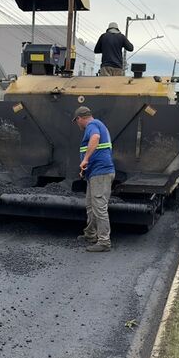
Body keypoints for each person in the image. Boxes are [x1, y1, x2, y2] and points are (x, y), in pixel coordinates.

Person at [74, 106, 115, 252]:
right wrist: (86, 169)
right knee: (91, 205)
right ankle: (90, 234)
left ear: (80, 118)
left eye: (77, 121)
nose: (78, 124)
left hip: (101, 173)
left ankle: (104, 241)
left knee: (99, 207)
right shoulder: (97, 124)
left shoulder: (92, 125)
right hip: (95, 173)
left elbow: (95, 138)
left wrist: (85, 159)